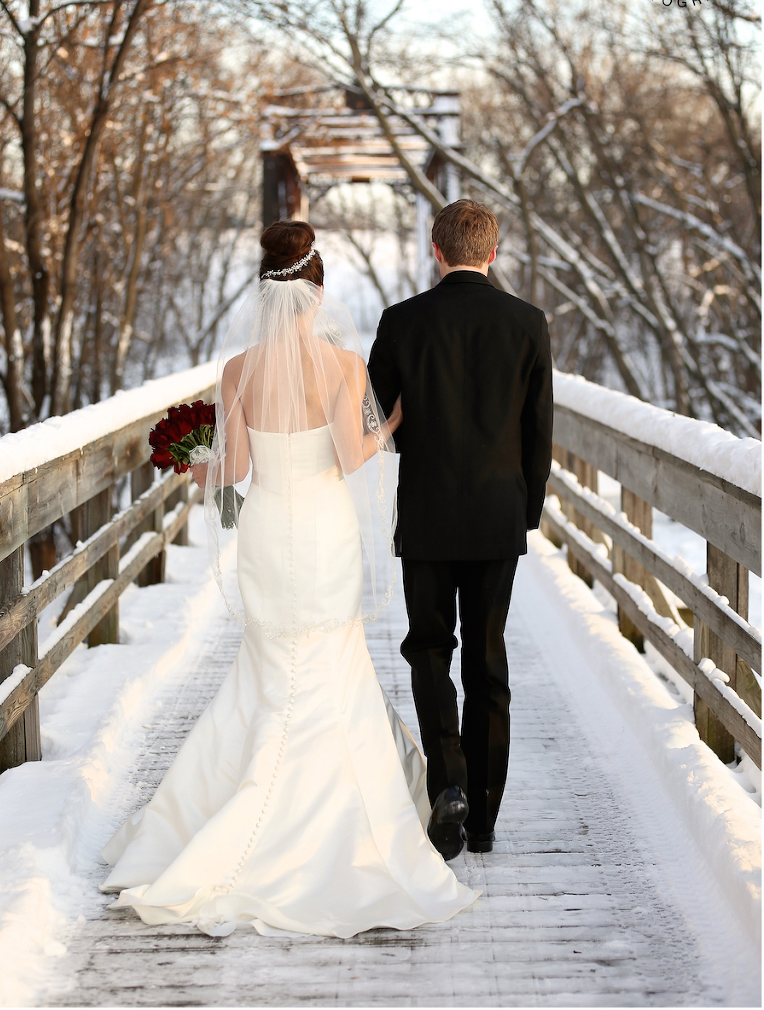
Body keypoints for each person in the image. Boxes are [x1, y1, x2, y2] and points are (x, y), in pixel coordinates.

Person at [99, 220, 477, 938]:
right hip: (327, 531)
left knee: (271, 664)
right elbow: (354, 454)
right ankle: (339, 819)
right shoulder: (344, 368)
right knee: (332, 659)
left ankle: (229, 820)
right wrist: (391, 418)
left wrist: (192, 457)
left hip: (268, 531)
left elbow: (234, 473)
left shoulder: (240, 371)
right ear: (319, 290)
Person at [368, 199, 553, 861]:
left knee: (428, 652)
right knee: (488, 662)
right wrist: (523, 513)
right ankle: (484, 820)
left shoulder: (400, 323)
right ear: (492, 253)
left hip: (425, 514)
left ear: (435, 251)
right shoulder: (528, 325)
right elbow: (539, 434)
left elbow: (375, 424)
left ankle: (449, 785)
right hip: (497, 515)